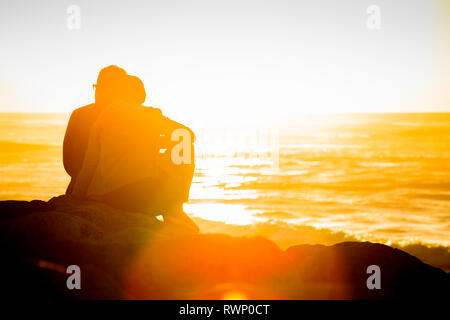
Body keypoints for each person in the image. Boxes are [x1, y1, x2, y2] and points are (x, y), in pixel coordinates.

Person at [67, 68, 198, 232]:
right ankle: (176, 209)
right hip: (140, 195)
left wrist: (75, 197)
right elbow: (186, 134)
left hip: (104, 196)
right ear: (142, 97)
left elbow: (89, 162)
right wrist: (158, 141)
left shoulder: (102, 118)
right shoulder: (152, 116)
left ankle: (173, 210)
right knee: (185, 144)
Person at [63, 65, 127, 194]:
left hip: (80, 188)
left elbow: (69, 161)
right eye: (97, 87)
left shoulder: (80, 114)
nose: (97, 92)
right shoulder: (130, 117)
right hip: (116, 191)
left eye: (101, 87)